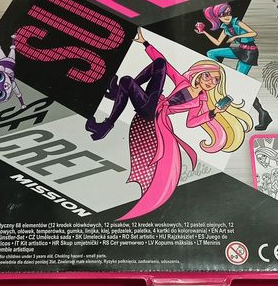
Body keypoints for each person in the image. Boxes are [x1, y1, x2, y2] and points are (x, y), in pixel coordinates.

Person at [85, 28, 253, 220]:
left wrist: (213, 112)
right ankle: (121, 94)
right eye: (208, 76)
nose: (210, 82)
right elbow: (166, 64)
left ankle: (109, 120)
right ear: (200, 74)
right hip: (153, 101)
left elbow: (191, 122)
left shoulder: (202, 102)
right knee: (160, 63)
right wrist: (145, 43)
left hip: (154, 113)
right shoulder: (183, 81)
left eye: (215, 81)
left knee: (126, 80)